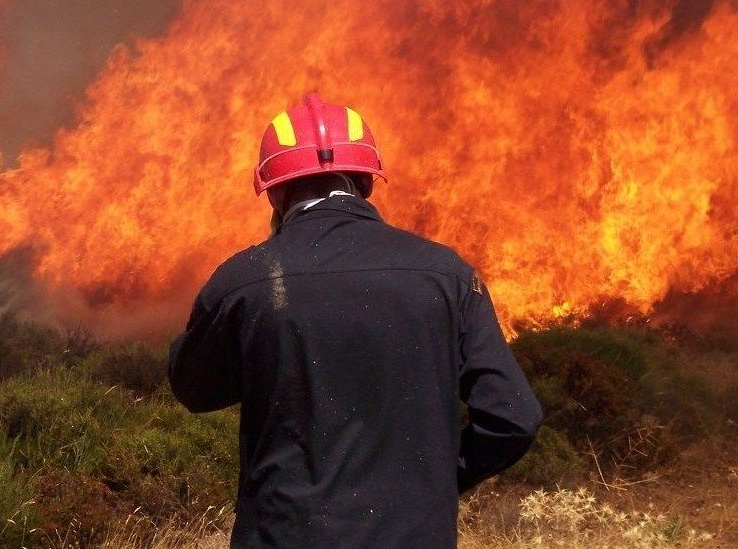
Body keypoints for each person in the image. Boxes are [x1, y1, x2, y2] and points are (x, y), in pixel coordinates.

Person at [168, 93, 542, 548]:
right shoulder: (449, 275)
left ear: (275, 190)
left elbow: (195, 390)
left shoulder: (244, 281)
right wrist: (438, 482)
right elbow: (514, 417)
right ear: (366, 181)